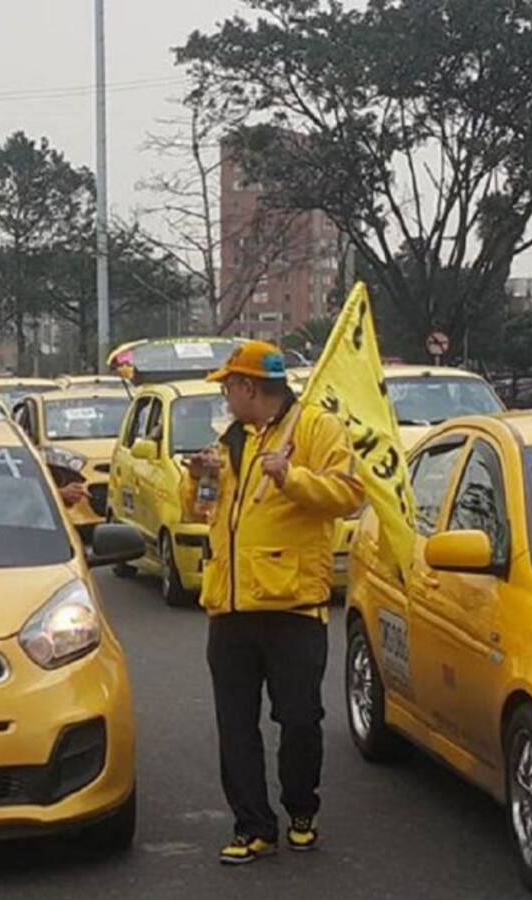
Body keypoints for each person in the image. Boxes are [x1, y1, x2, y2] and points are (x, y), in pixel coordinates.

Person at [185, 340, 364, 865]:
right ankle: (253, 827)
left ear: (248, 387)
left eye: (227, 387)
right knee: (236, 726)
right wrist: (197, 479)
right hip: (231, 608)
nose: (224, 396)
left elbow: (349, 494)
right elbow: (204, 513)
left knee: (300, 719)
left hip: (292, 606)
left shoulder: (315, 429)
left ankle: (301, 811)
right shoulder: (230, 440)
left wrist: (291, 477)